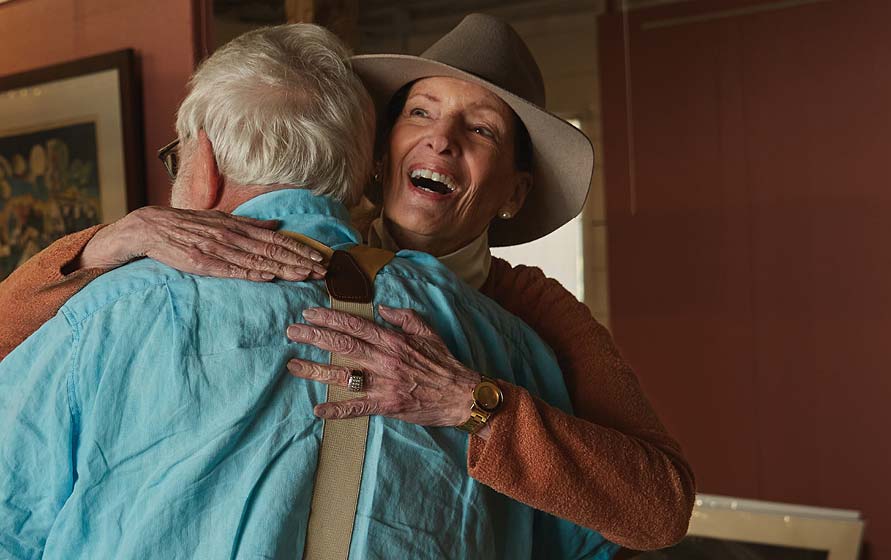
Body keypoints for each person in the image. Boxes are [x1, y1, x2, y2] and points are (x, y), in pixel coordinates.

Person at [0, 14, 695, 550]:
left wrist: (474, 404)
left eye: (480, 129)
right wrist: (102, 245)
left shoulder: (529, 319)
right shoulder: (207, 264)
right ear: (375, 152)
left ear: (513, 193)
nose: (441, 139)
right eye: (420, 112)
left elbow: (655, 510)